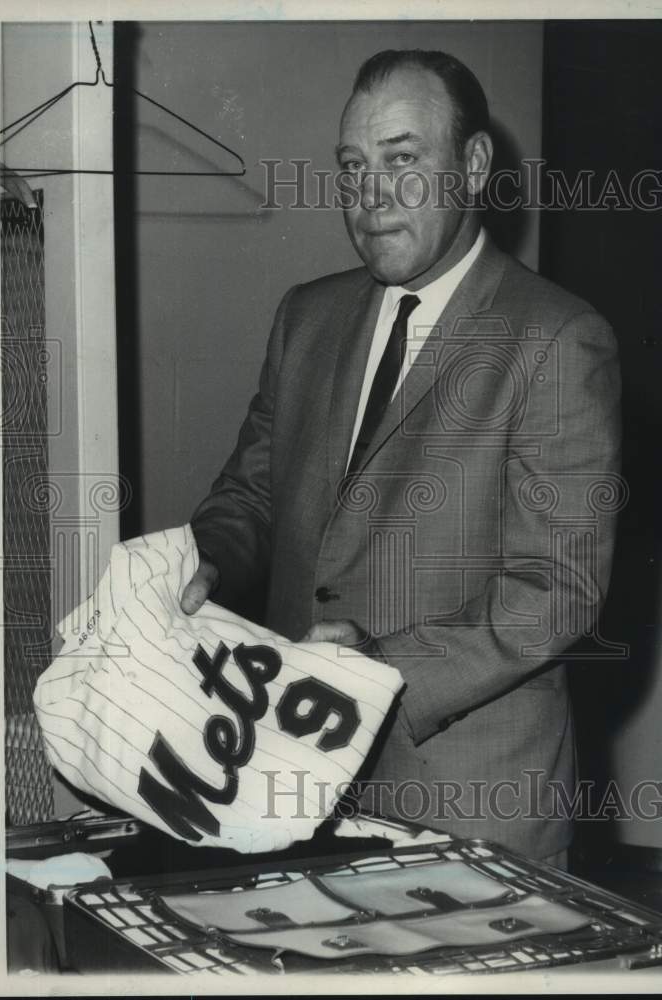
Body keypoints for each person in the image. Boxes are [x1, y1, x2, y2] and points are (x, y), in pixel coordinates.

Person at [182, 49, 622, 864]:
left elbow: (557, 591)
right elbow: (250, 496)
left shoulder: (557, 337)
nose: (369, 196)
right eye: (352, 167)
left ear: (474, 165)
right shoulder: (305, 317)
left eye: (402, 160)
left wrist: (375, 668)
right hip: (292, 784)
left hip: (468, 799)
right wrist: (199, 564)